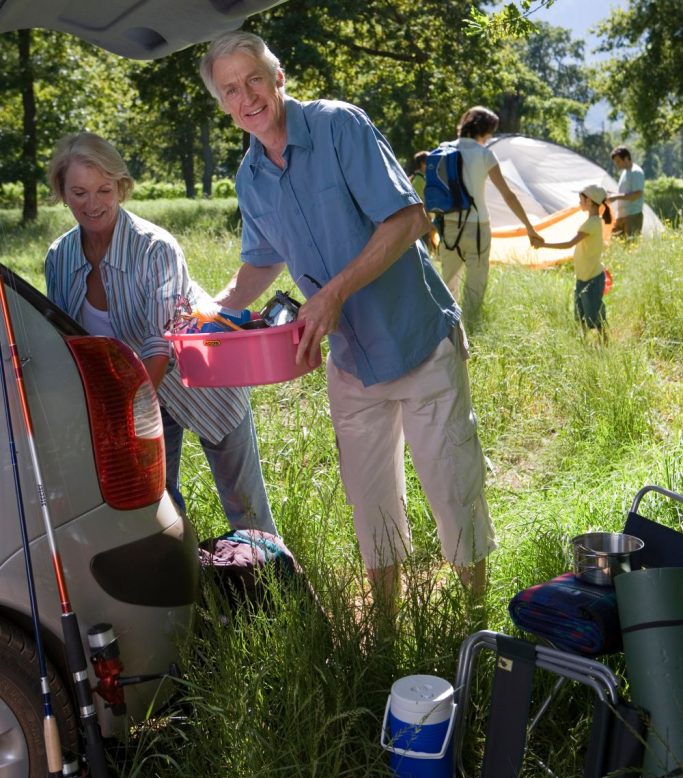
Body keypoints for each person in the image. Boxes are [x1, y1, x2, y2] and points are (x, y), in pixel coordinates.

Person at [199, 31, 497, 608]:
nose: (246, 97)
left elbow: (408, 220)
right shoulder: (250, 178)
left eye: (254, 79)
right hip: (351, 361)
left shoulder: (339, 126)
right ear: (224, 104)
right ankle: (384, 630)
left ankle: (475, 619)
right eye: (230, 90)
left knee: (452, 489)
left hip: (417, 340)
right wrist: (206, 314)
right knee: (370, 504)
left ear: (278, 78)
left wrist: (332, 294)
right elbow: (259, 264)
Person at [45, 132, 277, 535]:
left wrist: (129, 415)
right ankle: (185, 569)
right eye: (79, 192)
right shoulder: (58, 258)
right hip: (136, 395)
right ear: (62, 193)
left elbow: (160, 345)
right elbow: (67, 345)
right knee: (154, 505)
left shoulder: (156, 247)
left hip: (204, 382)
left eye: (104, 190)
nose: (92, 203)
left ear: (121, 187)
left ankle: (272, 569)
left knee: (246, 509)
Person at [440, 106, 544, 326]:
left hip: (448, 226)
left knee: (448, 284)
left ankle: (448, 332)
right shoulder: (485, 155)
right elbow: (508, 195)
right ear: (485, 131)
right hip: (477, 227)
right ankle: (470, 330)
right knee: (475, 285)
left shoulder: (443, 150)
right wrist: (529, 227)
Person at [535, 184, 612, 339]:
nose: (579, 203)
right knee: (581, 315)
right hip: (584, 277)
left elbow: (569, 244)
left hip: (591, 278)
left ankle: (605, 343)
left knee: (594, 317)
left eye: (581, 199)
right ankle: (585, 344)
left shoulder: (591, 223)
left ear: (589, 201)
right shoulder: (594, 221)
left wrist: (543, 245)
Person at [608, 146, 645, 238]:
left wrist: (616, 197)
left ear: (626, 158)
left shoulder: (636, 172)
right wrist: (612, 194)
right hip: (621, 215)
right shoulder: (625, 172)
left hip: (632, 215)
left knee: (630, 243)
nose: (616, 164)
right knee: (616, 243)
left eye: (618, 161)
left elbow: (636, 195)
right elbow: (625, 192)